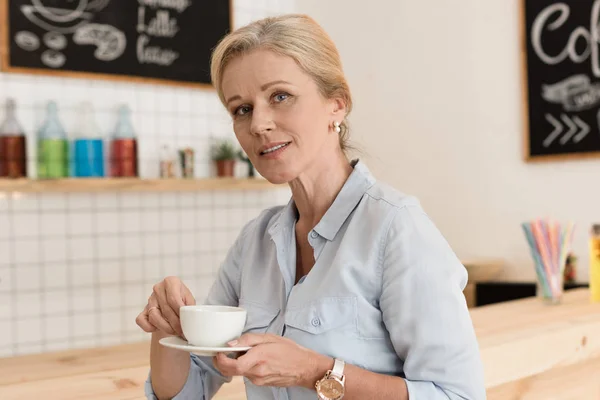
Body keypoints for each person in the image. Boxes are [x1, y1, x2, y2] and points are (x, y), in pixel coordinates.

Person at [137, 13, 486, 400]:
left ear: (336, 104)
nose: (258, 124)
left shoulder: (396, 228)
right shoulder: (255, 242)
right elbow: (188, 391)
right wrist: (166, 327)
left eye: (280, 96)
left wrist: (315, 371)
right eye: (242, 109)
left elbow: (458, 396)